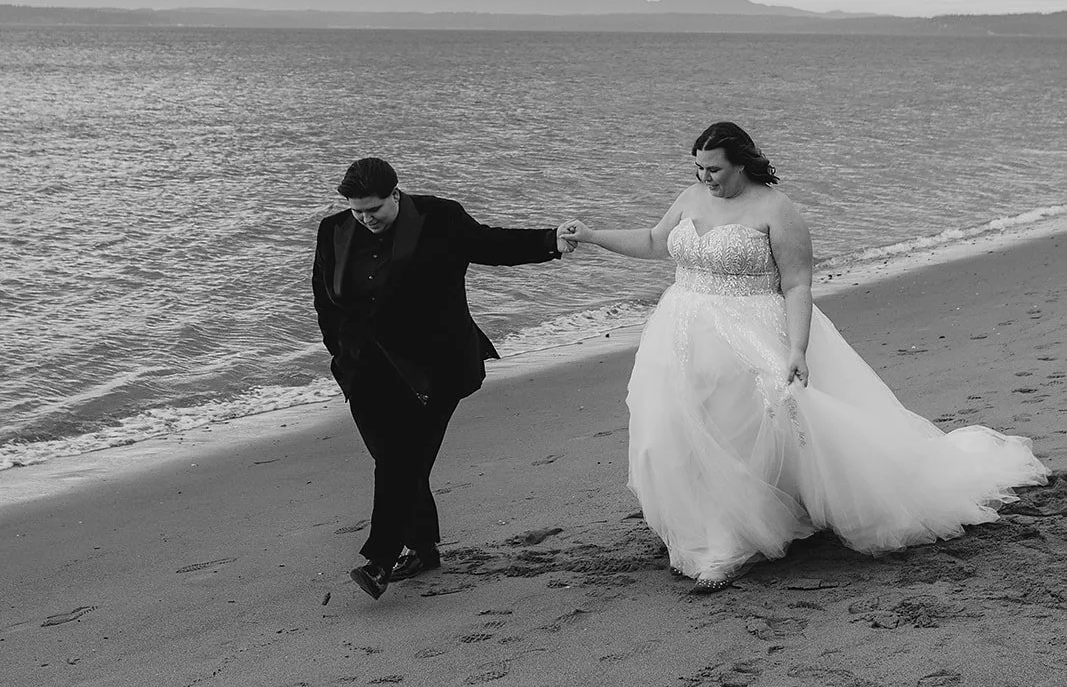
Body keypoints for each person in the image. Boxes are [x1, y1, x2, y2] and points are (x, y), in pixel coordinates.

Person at [559, 119, 1048, 592]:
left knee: (739, 437)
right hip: (680, 330)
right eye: (698, 169)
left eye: (714, 169)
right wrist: (592, 235)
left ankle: (730, 546)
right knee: (671, 434)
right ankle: (700, 532)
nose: (704, 178)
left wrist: (797, 348)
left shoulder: (777, 209)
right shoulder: (690, 198)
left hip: (751, 332)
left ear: (742, 165)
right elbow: (652, 243)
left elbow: (796, 285)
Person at [313, 156, 573, 600]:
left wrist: (552, 240)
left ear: (396, 194)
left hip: (434, 367)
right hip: (365, 369)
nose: (365, 219)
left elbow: (491, 245)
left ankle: (379, 560)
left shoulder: (439, 218)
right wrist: (339, 351)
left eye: (373, 209)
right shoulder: (333, 229)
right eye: (357, 211)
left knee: (401, 458)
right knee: (395, 461)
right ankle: (423, 547)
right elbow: (324, 296)